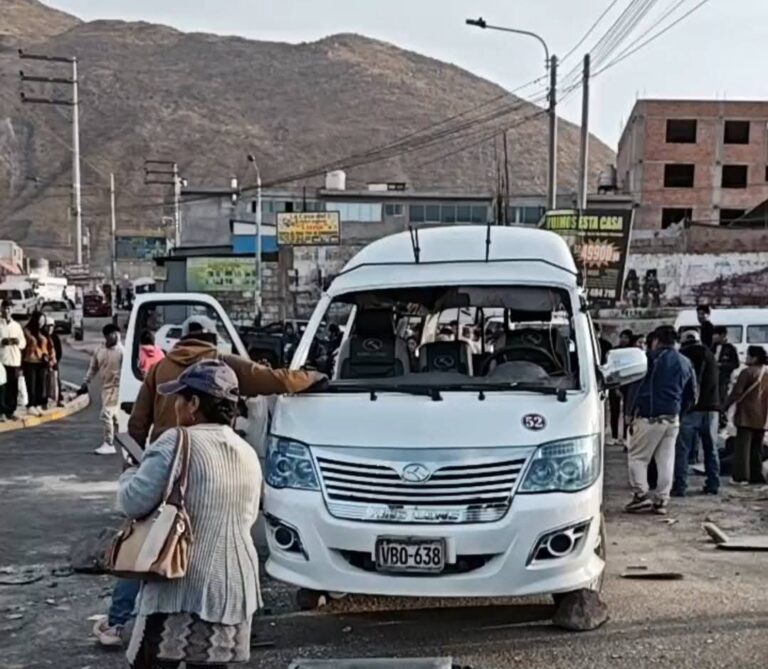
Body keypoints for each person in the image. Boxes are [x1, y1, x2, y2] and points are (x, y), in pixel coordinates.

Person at [119, 360, 261, 669]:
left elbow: (132, 502)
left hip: (180, 585)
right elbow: (247, 518)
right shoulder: (246, 451)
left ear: (194, 403)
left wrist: (130, 470)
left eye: (180, 398)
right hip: (232, 589)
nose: (175, 406)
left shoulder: (177, 441)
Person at [128, 318, 323, 447]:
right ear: (212, 338)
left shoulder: (158, 368)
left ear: (183, 339)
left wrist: (138, 461)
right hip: (207, 453)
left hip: (164, 453)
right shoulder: (223, 365)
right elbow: (274, 380)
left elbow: (138, 423)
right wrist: (312, 377)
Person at [625, 325, 696, 515]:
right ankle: (662, 500)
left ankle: (641, 495)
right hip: (672, 417)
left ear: (656, 340)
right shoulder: (685, 362)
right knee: (666, 460)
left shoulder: (649, 359)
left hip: (649, 416)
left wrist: (629, 412)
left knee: (638, 458)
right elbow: (692, 394)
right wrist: (679, 411)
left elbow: (636, 387)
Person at [672, 330, 720, 496]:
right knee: (711, 448)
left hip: (691, 410)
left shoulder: (684, 356)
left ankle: (680, 486)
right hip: (712, 409)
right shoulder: (710, 354)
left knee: (683, 449)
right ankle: (713, 483)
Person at [723, 345, 768, 485]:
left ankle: (741, 476)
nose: (746, 358)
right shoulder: (766, 372)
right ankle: (756, 475)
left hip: (746, 414)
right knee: (757, 448)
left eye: (748, 356)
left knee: (743, 447)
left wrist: (725, 406)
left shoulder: (747, 372)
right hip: (763, 416)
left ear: (754, 358)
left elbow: (736, 393)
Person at [81, 323, 123, 455]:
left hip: (116, 388)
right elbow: (93, 367)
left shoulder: (122, 352)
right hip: (105, 387)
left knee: (106, 414)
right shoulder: (99, 350)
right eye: (110, 335)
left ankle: (108, 443)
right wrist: (86, 381)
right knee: (115, 418)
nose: (114, 337)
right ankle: (124, 443)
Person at [22, 311, 52, 416]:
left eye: (43, 321)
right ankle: (31, 405)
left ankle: (38, 404)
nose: (41, 323)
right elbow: (27, 344)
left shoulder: (43, 332)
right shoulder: (27, 331)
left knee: (40, 384)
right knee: (31, 384)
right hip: (30, 361)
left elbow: (48, 346)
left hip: (42, 362)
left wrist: (48, 357)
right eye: (40, 320)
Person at [0, 300, 25, 421]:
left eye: (9, 308)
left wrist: (17, 342)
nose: (6, 311)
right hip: (2, 361)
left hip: (14, 360)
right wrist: (2, 342)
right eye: (4, 308)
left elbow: (23, 343)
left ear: (12, 310)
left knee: (13, 387)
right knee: (3, 387)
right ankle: (2, 412)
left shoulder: (17, 326)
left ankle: (11, 410)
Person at [609, 328, 634, 444]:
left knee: (626, 411)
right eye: (622, 337)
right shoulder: (614, 351)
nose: (623, 340)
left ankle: (625, 436)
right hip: (615, 383)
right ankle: (614, 436)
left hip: (628, 384)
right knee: (614, 410)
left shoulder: (632, 352)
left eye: (626, 337)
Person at [712, 326, 740, 426]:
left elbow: (736, 364)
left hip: (724, 379)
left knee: (723, 398)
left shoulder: (730, 348)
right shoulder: (712, 347)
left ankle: (722, 418)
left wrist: (722, 365)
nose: (714, 337)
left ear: (723, 335)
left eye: (716, 334)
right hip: (712, 379)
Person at [42, 318, 62, 408]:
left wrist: (54, 361)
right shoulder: (42, 337)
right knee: (44, 383)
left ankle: (58, 399)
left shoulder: (55, 338)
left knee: (56, 381)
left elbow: (59, 352)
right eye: (48, 326)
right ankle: (44, 401)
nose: (49, 329)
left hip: (54, 362)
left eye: (51, 326)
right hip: (43, 363)